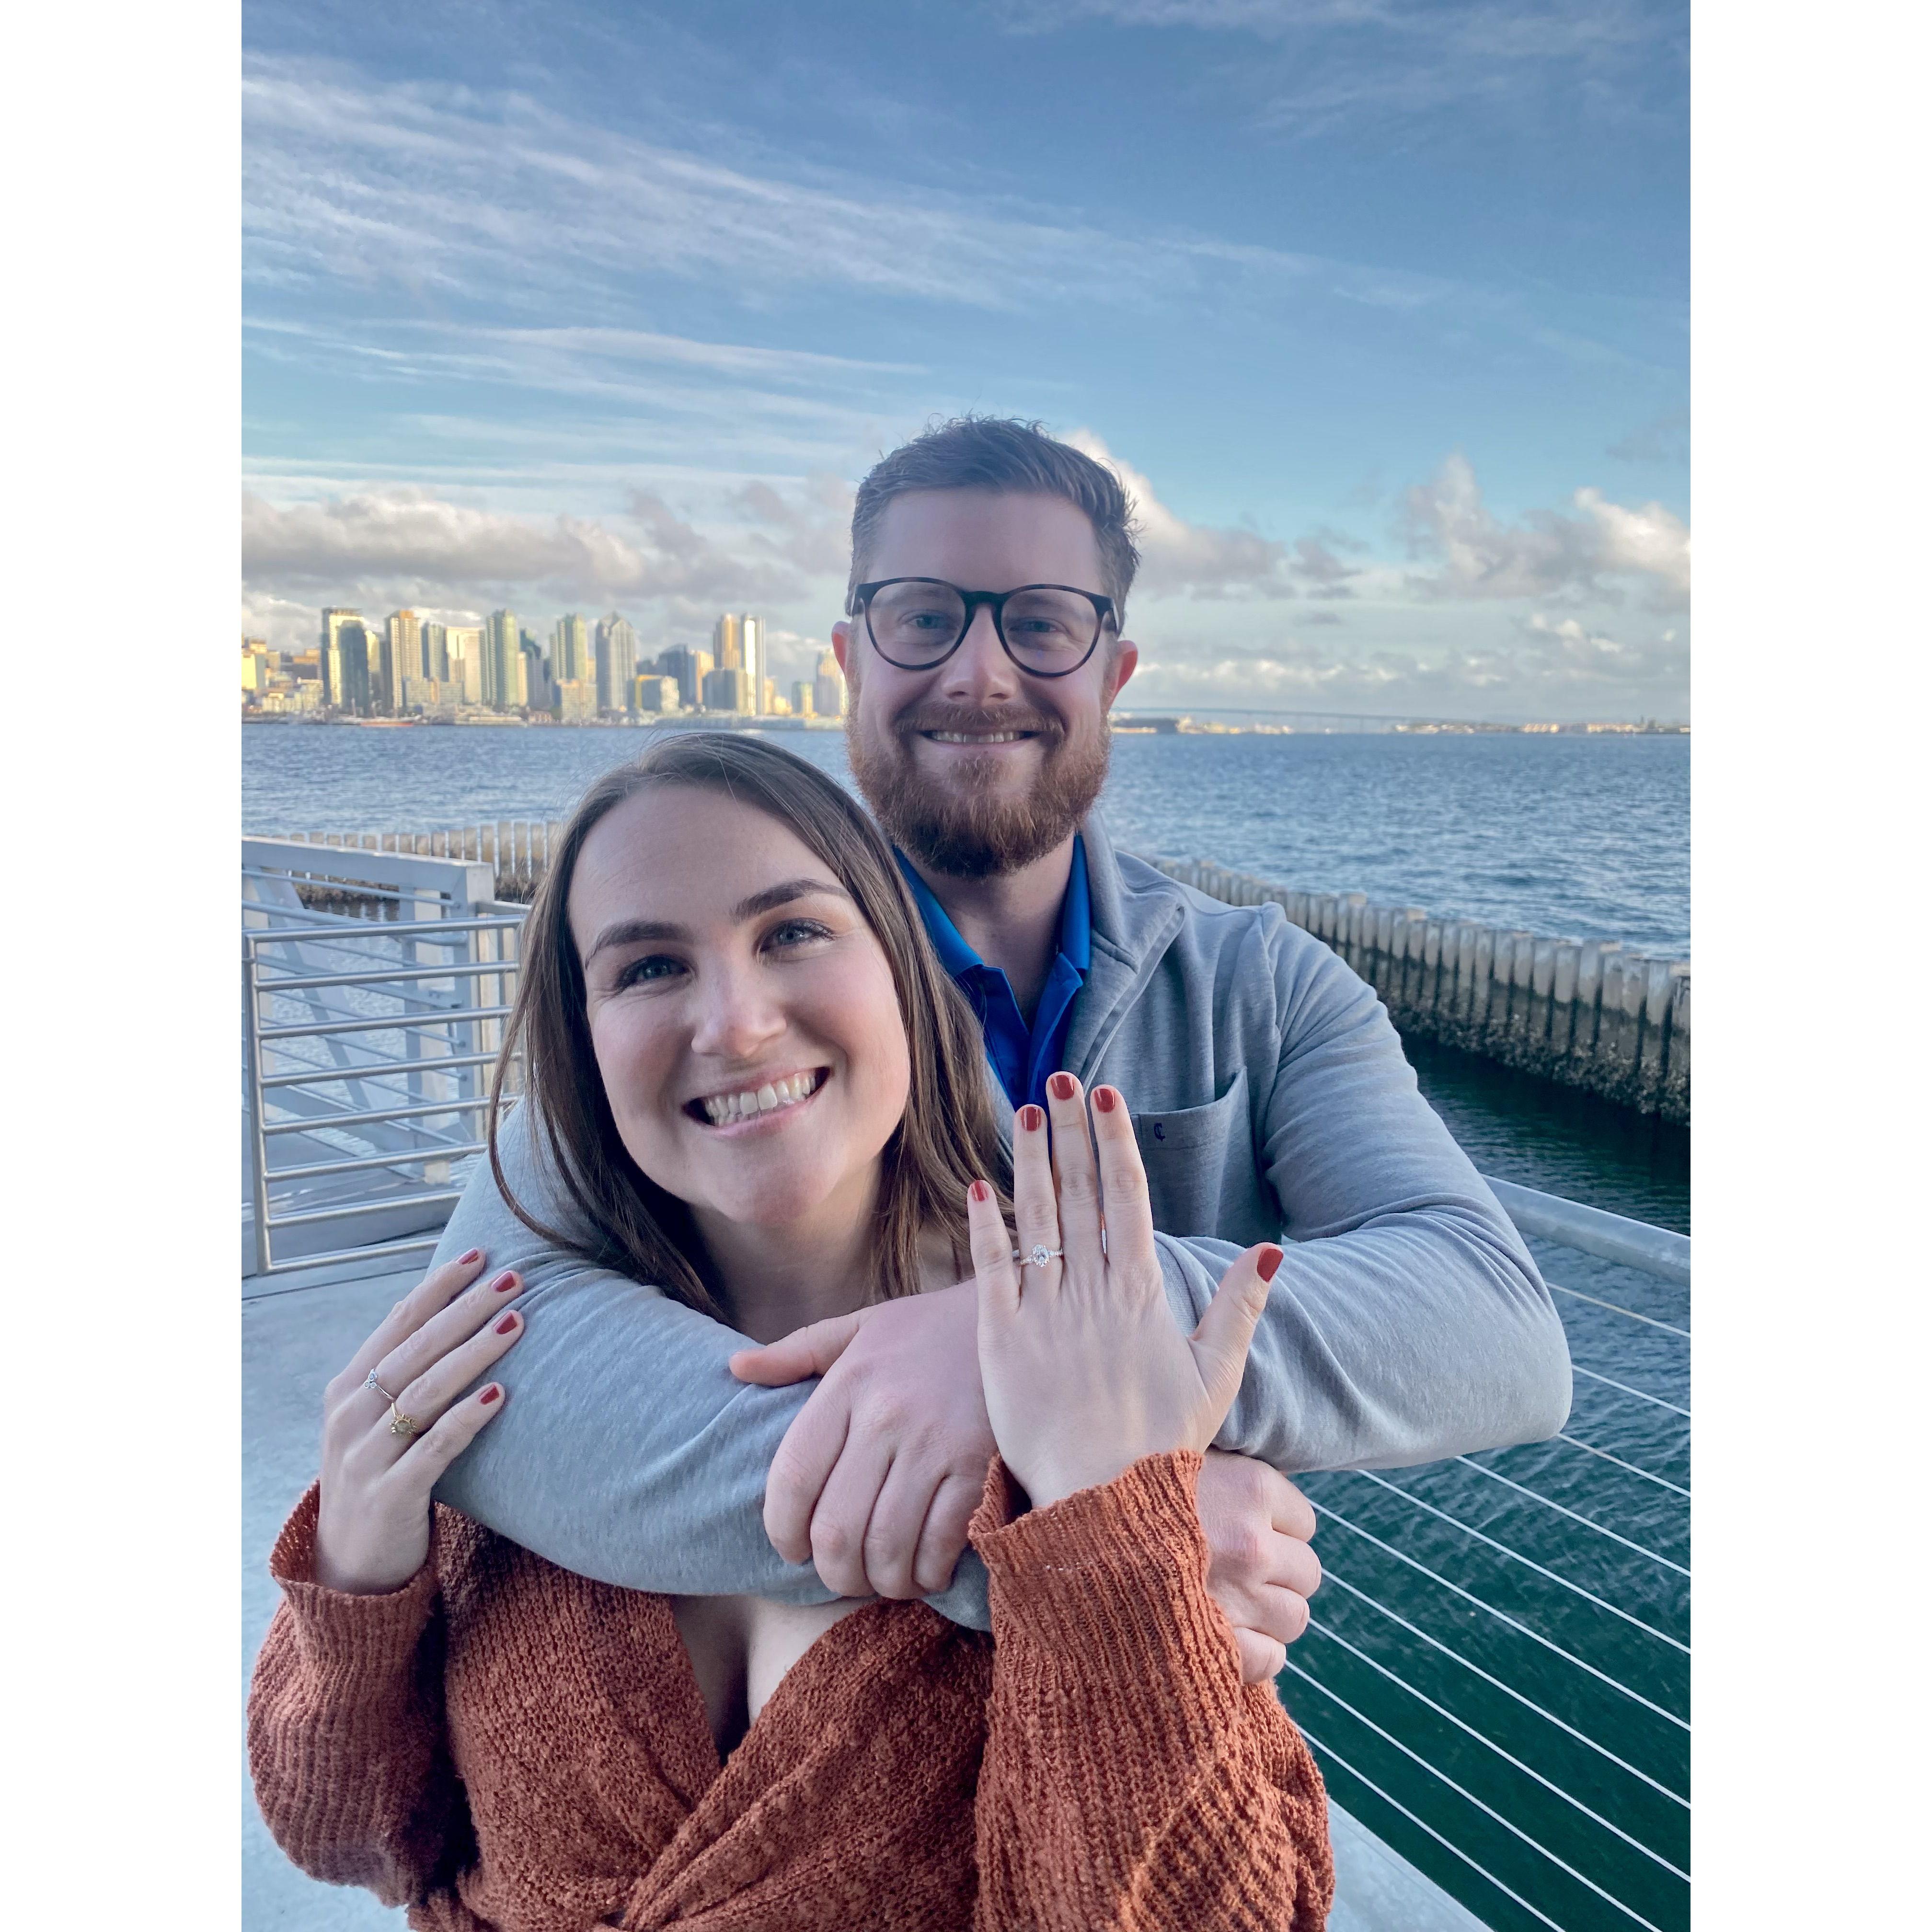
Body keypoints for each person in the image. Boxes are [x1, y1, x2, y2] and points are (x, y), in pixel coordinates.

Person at [427, 416, 1571, 1667]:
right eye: (925, 617)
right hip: (797, 1750)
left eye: (1040, 622)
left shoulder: (1266, 986)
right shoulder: (731, 976)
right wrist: (1088, 1535)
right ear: (850, 658)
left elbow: (1494, 1322)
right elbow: (501, 1364)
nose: (979, 673)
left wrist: (1029, 1340)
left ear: (1114, 673)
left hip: (1158, 1749)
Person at [249, 736, 1335, 1930]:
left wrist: (1106, 1560)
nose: (737, 1023)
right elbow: (356, 1839)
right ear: (586, 1038)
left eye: (793, 933)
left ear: (907, 974)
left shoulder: (1079, 1374)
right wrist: (358, 1581)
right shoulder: (510, 1372)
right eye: (650, 967)